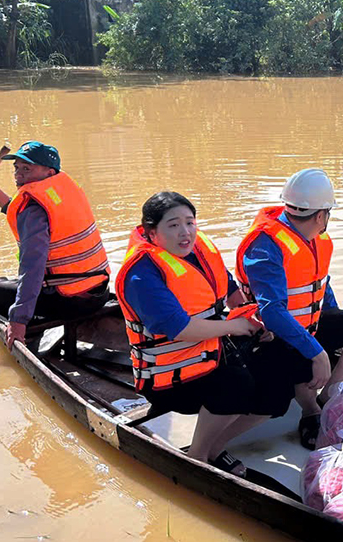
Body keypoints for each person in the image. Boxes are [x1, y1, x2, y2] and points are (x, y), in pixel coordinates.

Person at [115, 191, 287, 474]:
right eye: (173, 225)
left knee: (281, 375)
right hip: (170, 379)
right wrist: (235, 326)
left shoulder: (199, 248)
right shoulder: (141, 274)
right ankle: (198, 457)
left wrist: (252, 320)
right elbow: (178, 327)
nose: (185, 233)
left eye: (190, 222)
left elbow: (229, 289)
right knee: (237, 384)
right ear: (151, 232)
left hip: (213, 352)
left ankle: (215, 447)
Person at [235, 169, 343, 450]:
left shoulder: (316, 240)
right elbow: (272, 312)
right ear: (321, 215)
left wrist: (331, 339)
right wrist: (317, 353)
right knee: (303, 361)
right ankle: (310, 411)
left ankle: (328, 397)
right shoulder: (265, 246)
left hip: (308, 324)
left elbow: (320, 288)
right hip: (272, 336)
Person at [0, 141, 110, 348]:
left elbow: (32, 267)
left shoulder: (34, 206)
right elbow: (21, 214)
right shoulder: (62, 193)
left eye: (27, 169)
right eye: (17, 168)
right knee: (9, 283)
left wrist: (19, 319)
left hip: (70, 302)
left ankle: (33, 327)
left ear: (49, 172)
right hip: (98, 294)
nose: (19, 174)